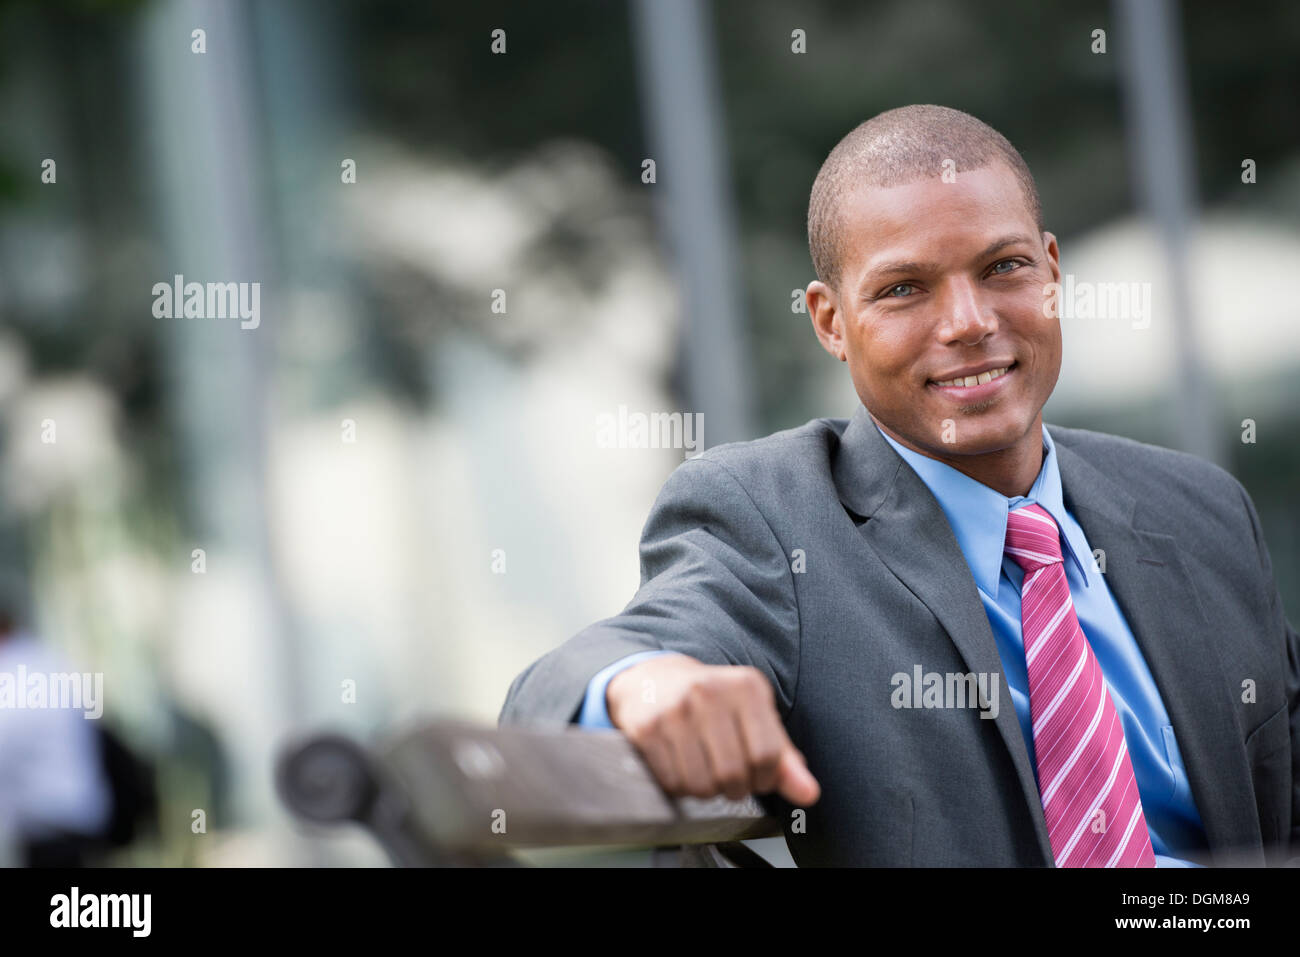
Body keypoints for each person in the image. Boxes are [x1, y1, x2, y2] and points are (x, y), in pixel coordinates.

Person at [499, 105, 1298, 867]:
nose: (967, 321)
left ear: (1052, 271)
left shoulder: (1203, 511)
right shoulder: (774, 519)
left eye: (1004, 267)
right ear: (830, 322)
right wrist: (645, 682)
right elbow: (589, 670)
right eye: (903, 288)